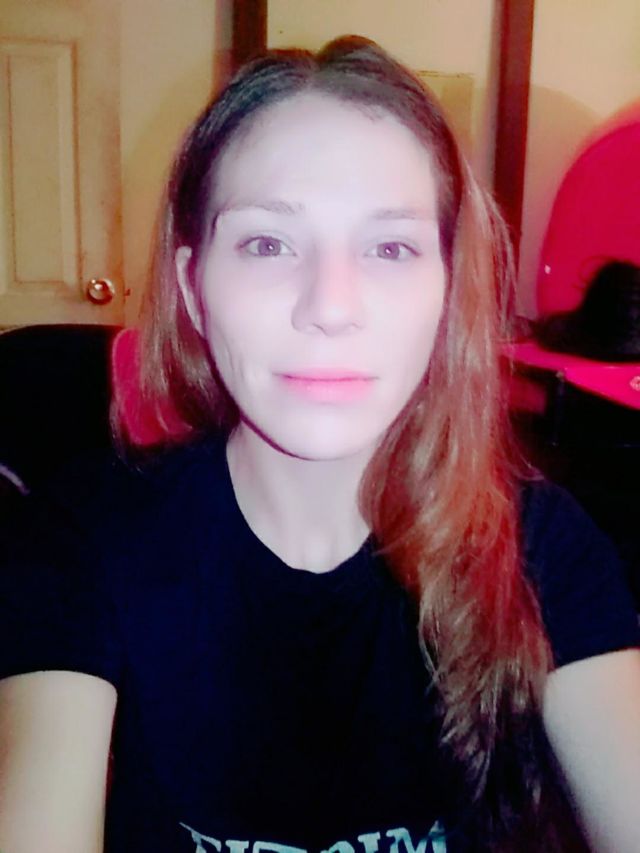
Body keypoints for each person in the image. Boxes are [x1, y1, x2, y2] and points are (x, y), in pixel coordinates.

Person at [0, 36, 639, 853]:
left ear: (447, 289)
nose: (330, 307)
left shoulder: (545, 550)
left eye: (390, 247)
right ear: (193, 288)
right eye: (268, 243)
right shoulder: (82, 539)